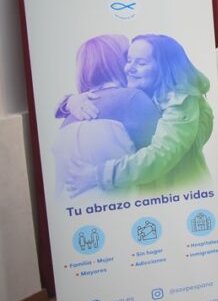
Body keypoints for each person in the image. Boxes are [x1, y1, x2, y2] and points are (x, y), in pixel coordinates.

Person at [64, 34, 214, 195]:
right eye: (128, 60)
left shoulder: (181, 100)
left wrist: (99, 175)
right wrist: (69, 101)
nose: (129, 69)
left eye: (141, 63)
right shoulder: (145, 92)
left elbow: (162, 154)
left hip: (184, 193)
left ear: (164, 68)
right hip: (156, 196)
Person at [53, 35, 160, 193]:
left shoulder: (69, 117)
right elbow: (160, 164)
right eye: (128, 57)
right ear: (120, 62)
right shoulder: (133, 99)